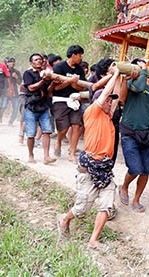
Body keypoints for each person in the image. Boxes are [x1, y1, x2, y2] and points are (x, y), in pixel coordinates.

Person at [57, 64, 121, 249]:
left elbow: (116, 95)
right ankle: (64, 218)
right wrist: (115, 73)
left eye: (111, 101)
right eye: (109, 100)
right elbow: (104, 95)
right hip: (89, 170)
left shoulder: (108, 117)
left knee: (107, 206)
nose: (111, 103)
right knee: (82, 209)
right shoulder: (92, 112)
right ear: (100, 101)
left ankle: (93, 240)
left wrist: (122, 76)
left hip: (104, 170)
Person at [118, 58, 149, 214]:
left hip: (145, 133)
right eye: (141, 67)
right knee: (135, 168)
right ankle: (124, 186)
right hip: (129, 132)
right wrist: (143, 70)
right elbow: (135, 89)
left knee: (146, 170)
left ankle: (137, 199)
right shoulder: (128, 85)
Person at [51, 45, 90, 162]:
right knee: (63, 128)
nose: (81, 58)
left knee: (76, 125)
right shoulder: (59, 67)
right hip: (60, 99)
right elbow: (56, 88)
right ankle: (58, 141)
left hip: (74, 99)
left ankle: (72, 152)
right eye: (79, 55)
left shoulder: (79, 70)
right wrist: (69, 82)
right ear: (74, 55)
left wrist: (74, 85)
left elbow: (81, 87)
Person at [21, 53, 56, 164]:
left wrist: (53, 82)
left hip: (44, 106)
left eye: (40, 59)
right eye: (36, 60)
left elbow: (49, 91)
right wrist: (43, 81)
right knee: (31, 134)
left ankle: (46, 156)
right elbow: (31, 88)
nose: (39, 61)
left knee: (47, 132)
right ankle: (31, 155)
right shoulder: (28, 73)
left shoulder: (46, 74)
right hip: (31, 106)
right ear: (31, 63)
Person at [5, 57, 23, 126]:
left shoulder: (16, 72)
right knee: (2, 106)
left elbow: (19, 82)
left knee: (16, 107)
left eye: (13, 62)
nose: (12, 63)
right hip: (5, 92)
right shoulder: (4, 71)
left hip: (14, 92)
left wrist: (16, 77)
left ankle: (11, 122)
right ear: (7, 63)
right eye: (10, 62)